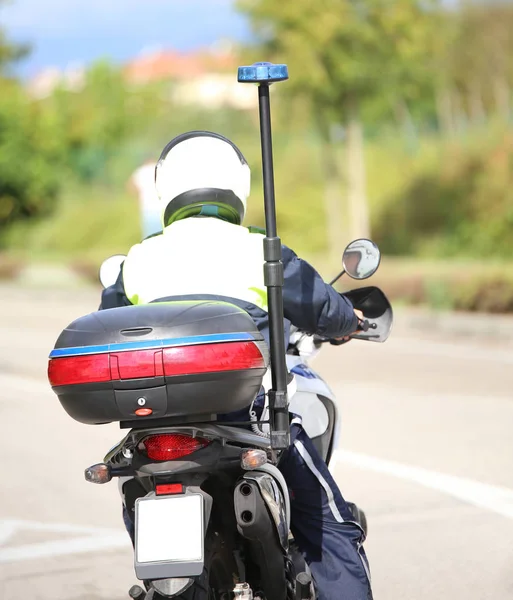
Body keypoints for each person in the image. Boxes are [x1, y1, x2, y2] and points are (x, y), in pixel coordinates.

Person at [101, 131, 373, 600]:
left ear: (166, 189)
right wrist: (351, 320)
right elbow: (323, 308)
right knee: (330, 523)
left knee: (136, 490)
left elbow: (110, 328)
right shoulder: (258, 249)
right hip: (244, 417)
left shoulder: (137, 260)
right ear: (238, 187)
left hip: (157, 425)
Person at [127, 157, 162, 239]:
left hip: (147, 209)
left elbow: (130, 186)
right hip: (162, 209)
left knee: (149, 238)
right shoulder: (160, 169)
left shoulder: (140, 171)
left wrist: (138, 195)